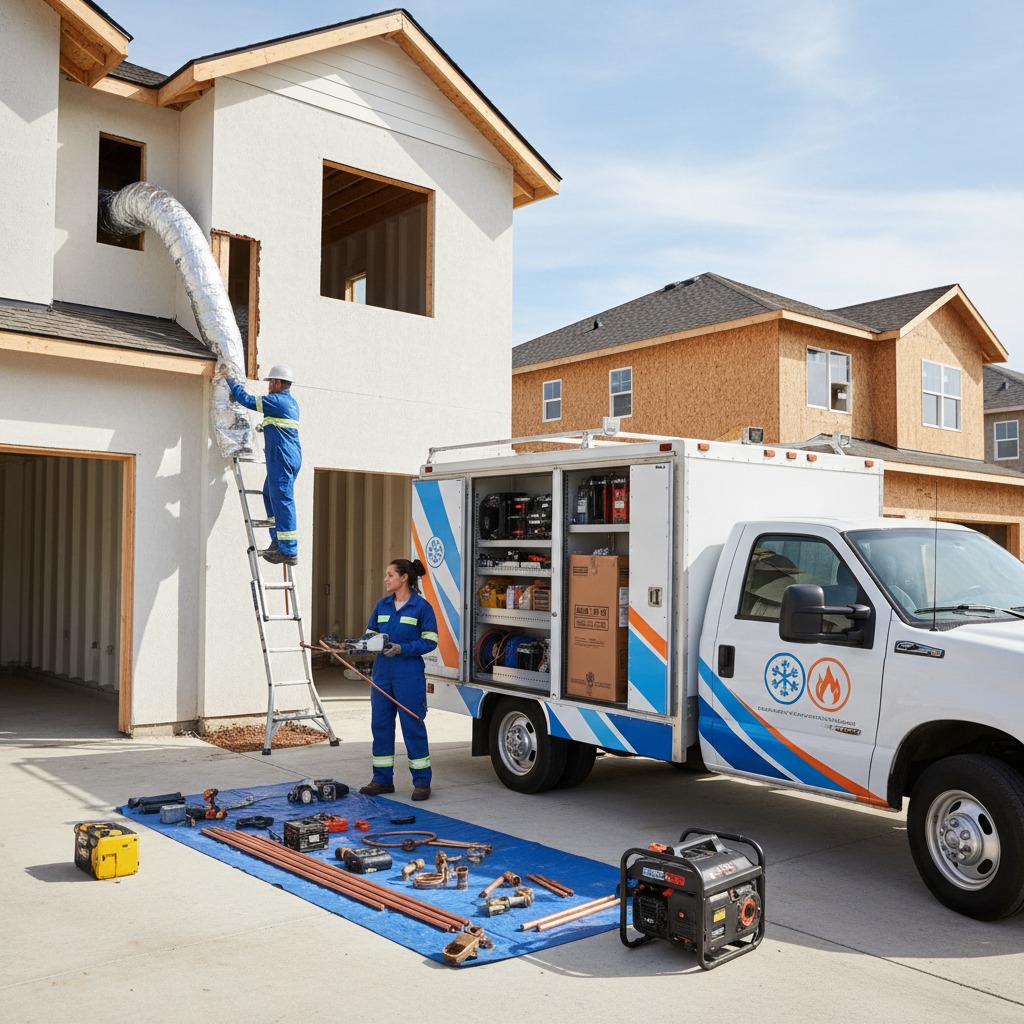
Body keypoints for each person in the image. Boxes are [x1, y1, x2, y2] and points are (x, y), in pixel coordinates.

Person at [359, 558, 439, 801]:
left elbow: (430, 641)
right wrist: (355, 646)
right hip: (382, 674)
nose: (386, 579)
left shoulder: (421, 607)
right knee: (381, 726)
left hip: (408, 675)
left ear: (404, 578)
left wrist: (403, 648)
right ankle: (382, 780)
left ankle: (422, 783)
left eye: (390, 574)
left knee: (412, 726)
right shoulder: (382, 605)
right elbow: (370, 636)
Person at [223, 364, 301, 566]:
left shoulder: (277, 401)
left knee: (283, 501)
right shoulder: (289, 403)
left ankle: (289, 550)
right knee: (269, 494)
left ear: (277, 382)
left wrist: (230, 379)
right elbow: (277, 426)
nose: (269, 386)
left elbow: (246, 400)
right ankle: (278, 540)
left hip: (282, 458)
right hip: (285, 457)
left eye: (271, 382)